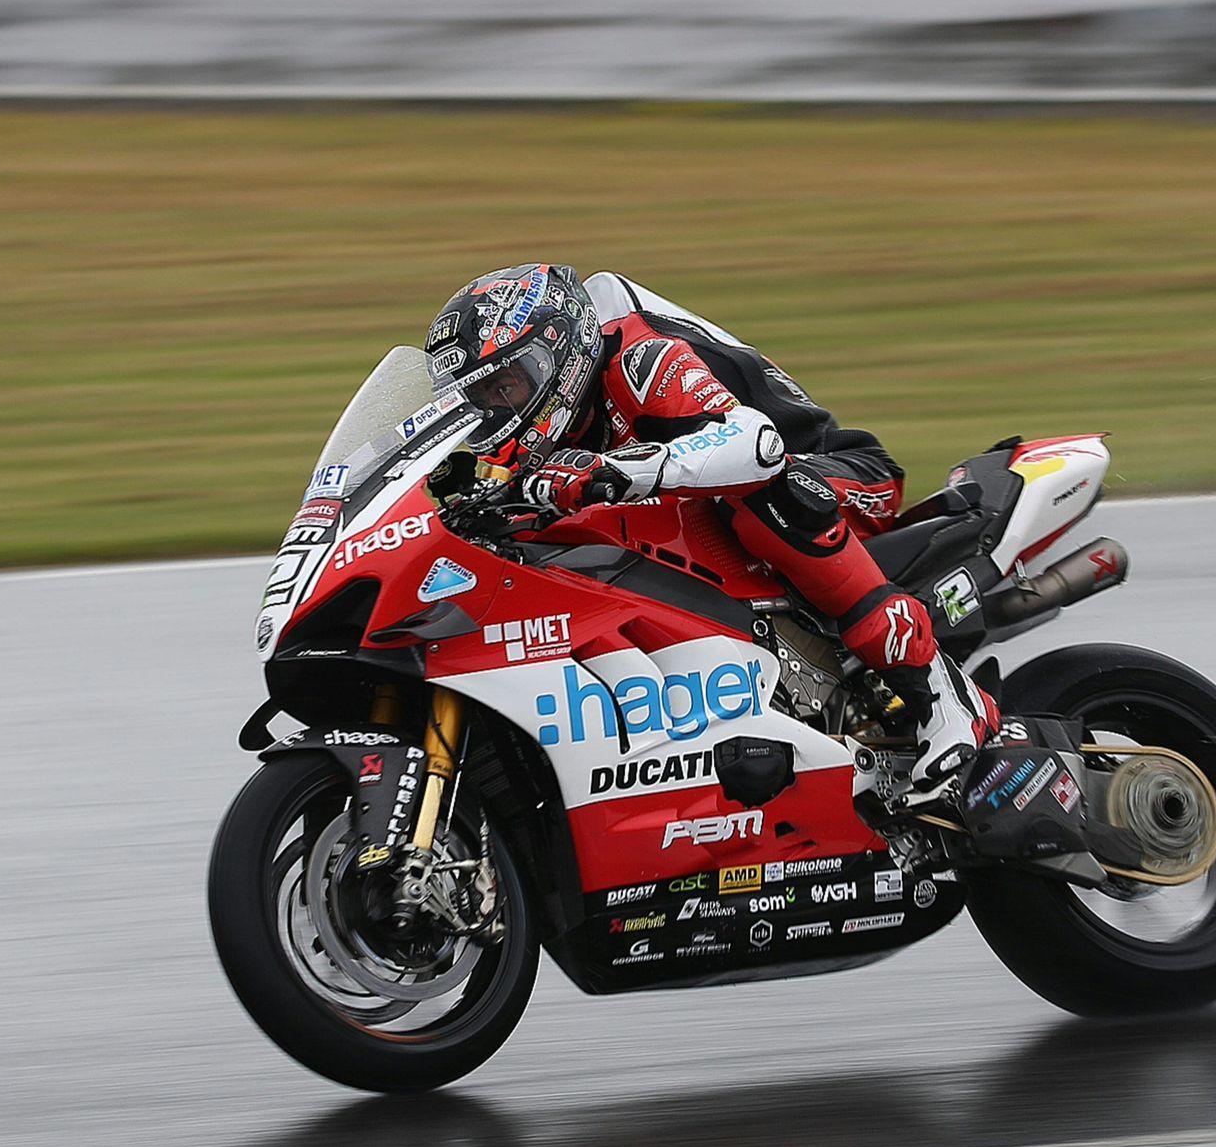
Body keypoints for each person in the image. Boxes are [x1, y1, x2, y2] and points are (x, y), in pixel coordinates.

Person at [424, 263, 993, 803]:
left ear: (558, 355)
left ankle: (941, 694)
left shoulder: (639, 355)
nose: (496, 412)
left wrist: (620, 471)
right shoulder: (535, 434)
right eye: (481, 399)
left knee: (756, 489)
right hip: (727, 485)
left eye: (507, 387)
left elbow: (753, 446)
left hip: (834, 475)